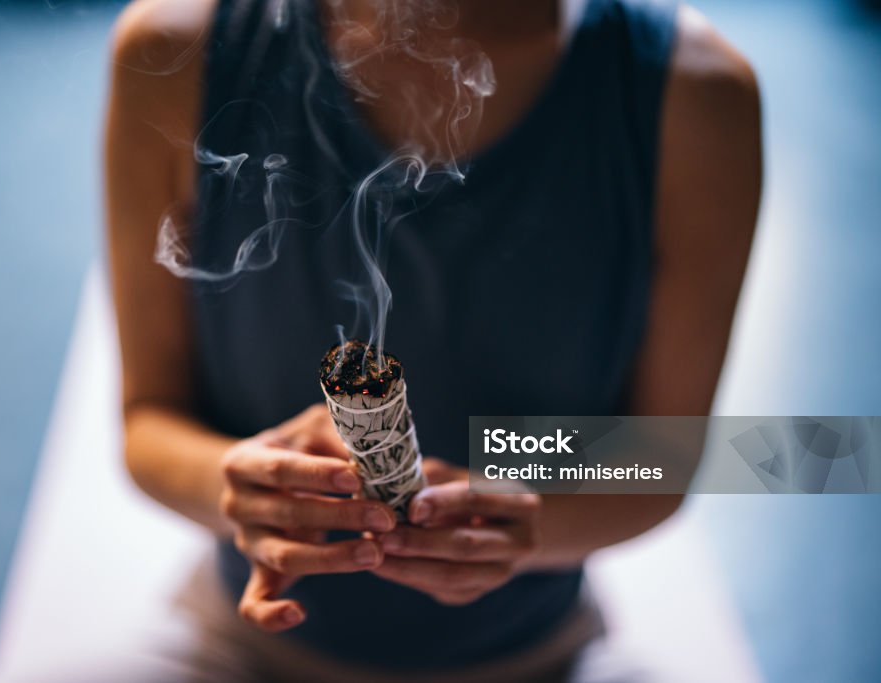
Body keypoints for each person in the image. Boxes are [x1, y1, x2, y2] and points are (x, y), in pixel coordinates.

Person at [104, 0, 761, 680]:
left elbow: (661, 455)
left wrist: (519, 516)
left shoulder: (694, 93)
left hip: (538, 658)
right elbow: (148, 417)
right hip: (241, 644)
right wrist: (241, 486)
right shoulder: (173, 51)